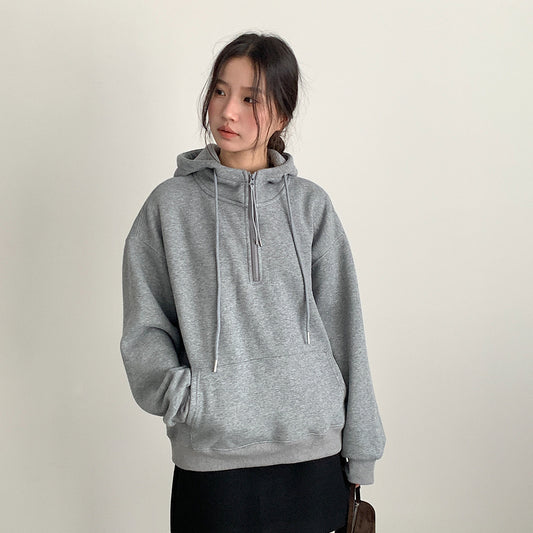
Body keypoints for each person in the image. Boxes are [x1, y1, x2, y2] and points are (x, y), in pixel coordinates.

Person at [120, 32, 386, 533]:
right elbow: (145, 326)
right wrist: (188, 398)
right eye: (221, 91)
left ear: (281, 115)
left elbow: (346, 329)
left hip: (313, 460)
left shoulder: (310, 206)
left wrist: (362, 450)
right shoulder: (169, 207)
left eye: (250, 99)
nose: (228, 111)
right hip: (212, 463)